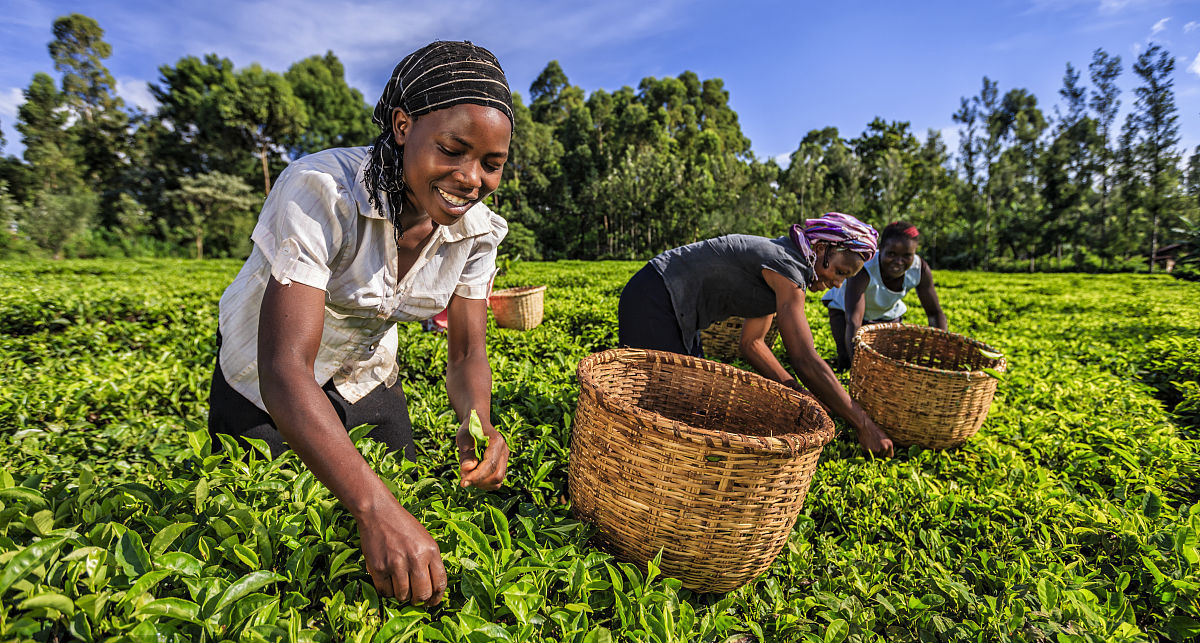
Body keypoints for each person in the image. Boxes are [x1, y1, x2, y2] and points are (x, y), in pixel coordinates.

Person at [207, 41, 514, 608]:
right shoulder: (320, 190)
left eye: (491, 164)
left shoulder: (480, 231)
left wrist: (477, 424)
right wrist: (374, 509)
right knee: (292, 538)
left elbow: (467, 351)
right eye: (452, 149)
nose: (471, 178)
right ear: (403, 126)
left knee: (412, 507)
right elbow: (284, 369)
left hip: (364, 373)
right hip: (263, 380)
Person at [618, 213, 895, 457]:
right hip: (654, 297)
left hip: (677, 313)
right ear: (821, 247)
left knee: (693, 401)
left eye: (845, 278)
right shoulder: (787, 266)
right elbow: (804, 358)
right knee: (663, 407)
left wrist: (802, 396)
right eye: (839, 271)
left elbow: (753, 344)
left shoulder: (783, 264)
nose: (837, 282)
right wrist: (863, 424)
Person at [822, 220, 947, 370]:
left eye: (907, 255)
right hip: (845, 313)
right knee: (847, 362)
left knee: (888, 366)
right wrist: (858, 367)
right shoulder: (864, 268)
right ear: (880, 249)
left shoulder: (919, 269)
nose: (898, 262)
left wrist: (941, 352)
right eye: (891, 254)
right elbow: (854, 320)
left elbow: (934, 313)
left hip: (887, 316)